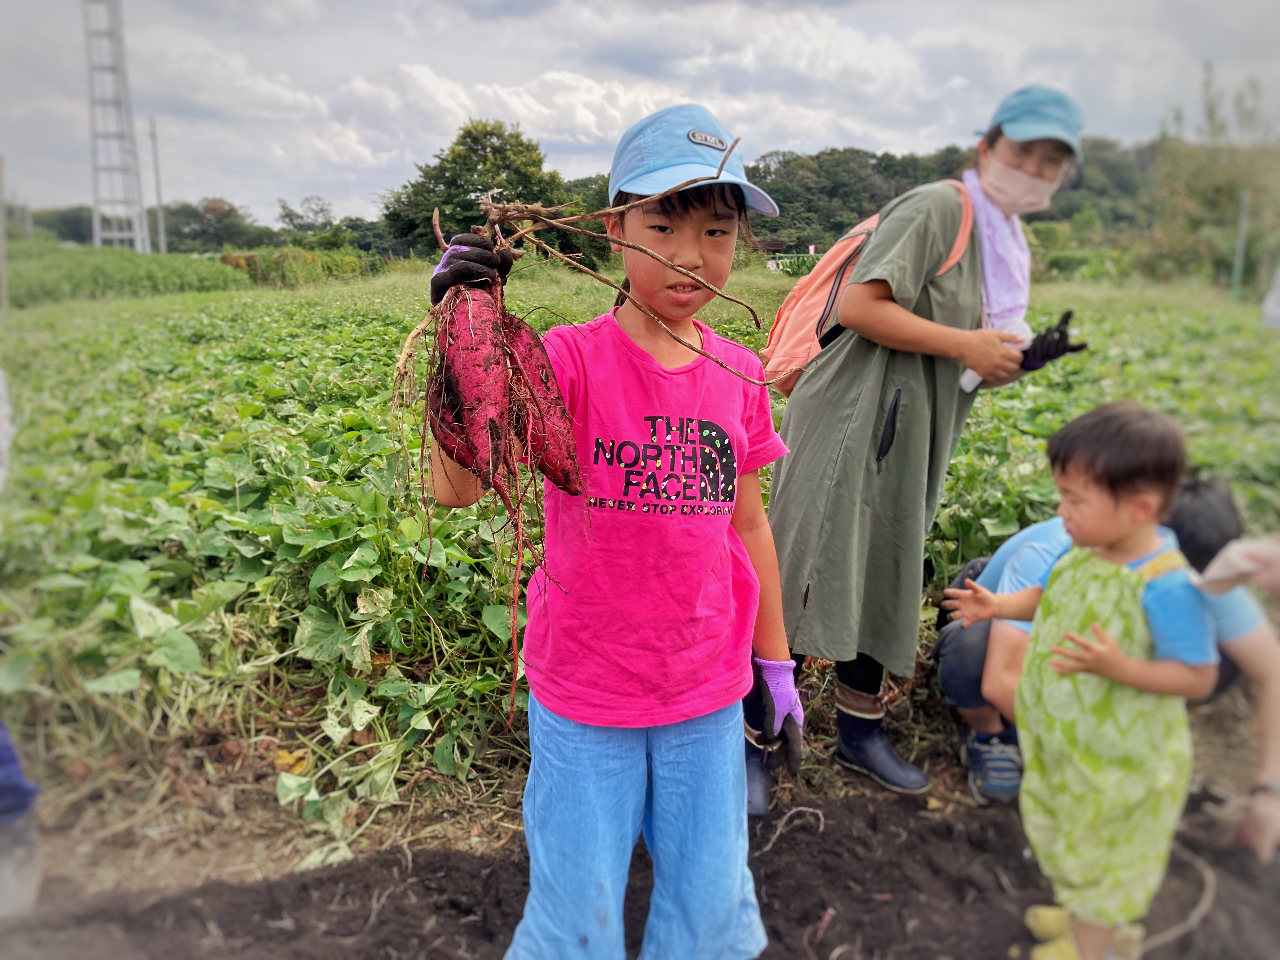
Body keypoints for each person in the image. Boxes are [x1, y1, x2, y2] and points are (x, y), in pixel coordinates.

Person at [428, 104, 801, 959]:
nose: (687, 254)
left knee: (711, 908)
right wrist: (462, 332)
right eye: (661, 224)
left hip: (705, 688)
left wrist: (774, 665)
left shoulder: (738, 372)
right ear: (612, 230)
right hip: (585, 692)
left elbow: (749, 524)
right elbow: (457, 488)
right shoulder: (565, 359)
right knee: (577, 909)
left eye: (714, 230)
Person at [764, 86, 1086, 795]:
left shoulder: (1007, 246)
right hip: (853, 412)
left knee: (886, 564)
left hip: (917, 428)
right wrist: (969, 342)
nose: (1033, 169)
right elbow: (860, 304)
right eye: (1022, 152)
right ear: (987, 148)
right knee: (803, 562)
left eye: (1050, 162)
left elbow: (971, 365)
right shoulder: (942, 209)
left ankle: (858, 734)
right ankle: (757, 739)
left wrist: (1024, 359)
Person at [945, 402, 1218, 960]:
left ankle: (1093, 947)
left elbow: (1198, 676)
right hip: (1077, 750)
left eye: (1074, 499)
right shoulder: (1086, 551)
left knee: (1106, 857)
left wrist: (1124, 669)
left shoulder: (1166, 585)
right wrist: (997, 604)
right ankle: (1080, 918)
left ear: (1139, 507)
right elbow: (1048, 598)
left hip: (1123, 764)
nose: (1060, 510)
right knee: (1074, 837)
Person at [936, 476, 1280, 861]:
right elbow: (1001, 681)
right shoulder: (1060, 553)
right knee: (970, 647)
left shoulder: (1205, 576)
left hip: (1095, 656)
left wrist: (1270, 791)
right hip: (1008, 629)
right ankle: (992, 737)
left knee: (1218, 656)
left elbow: (1271, 672)